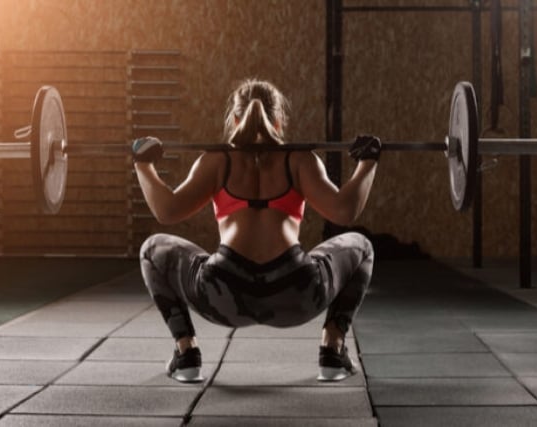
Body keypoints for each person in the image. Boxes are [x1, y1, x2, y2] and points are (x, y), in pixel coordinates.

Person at [133, 78, 380, 383]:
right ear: (279, 121)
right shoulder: (300, 159)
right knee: (362, 247)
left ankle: (186, 354)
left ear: (235, 119)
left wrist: (143, 165)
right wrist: (367, 162)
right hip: (296, 295)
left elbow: (166, 211)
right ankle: (333, 349)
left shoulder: (217, 160)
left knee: (152, 250)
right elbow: (345, 211)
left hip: (223, 295)